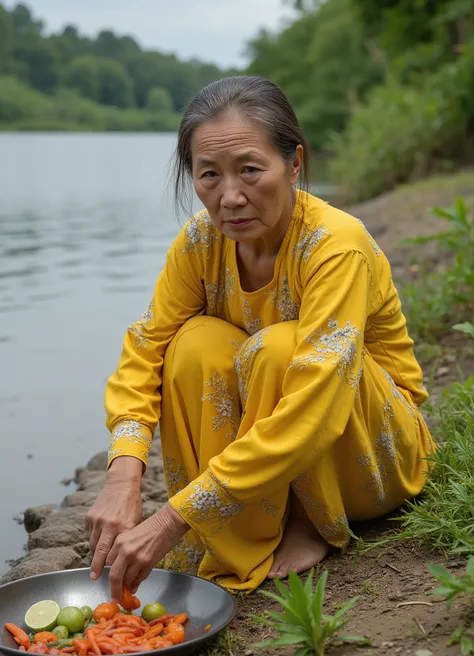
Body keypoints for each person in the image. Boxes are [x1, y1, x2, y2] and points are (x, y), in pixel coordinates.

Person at [86, 76, 434, 600]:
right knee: (191, 342)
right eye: (209, 175)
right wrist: (122, 477)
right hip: (273, 459)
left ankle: (310, 520)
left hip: (372, 454)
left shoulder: (335, 246)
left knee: (278, 349)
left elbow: (314, 405)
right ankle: (244, 529)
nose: (229, 197)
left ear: (294, 164)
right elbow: (146, 349)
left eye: (250, 169)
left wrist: (172, 518)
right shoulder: (200, 244)